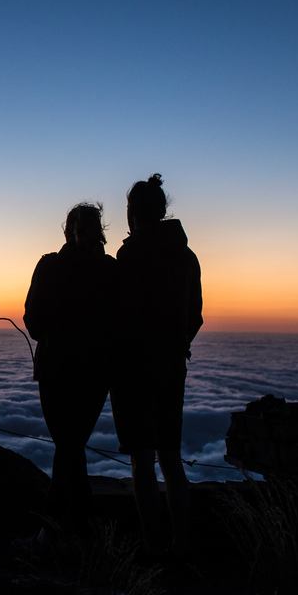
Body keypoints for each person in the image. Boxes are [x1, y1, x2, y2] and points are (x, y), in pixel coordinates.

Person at [112, 174, 203, 557]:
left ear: (134, 212)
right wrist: (176, 344)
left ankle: (153, 548)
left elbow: (117, 314)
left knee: (142, 462)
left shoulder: (130, 256)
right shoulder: (186, 257)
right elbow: (194, 317)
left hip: (133, 370)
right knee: (170, 458)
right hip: (170, 368)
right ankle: (183, 545)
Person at [24, 203, 116, 535]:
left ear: (67, 231)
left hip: (56, 369)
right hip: (95, 371)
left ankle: (57, 526)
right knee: (71, 445)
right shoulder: (110, 270)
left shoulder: (50, 266)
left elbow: (33, 323)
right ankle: (77, 525)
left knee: (68, 444)